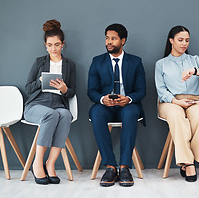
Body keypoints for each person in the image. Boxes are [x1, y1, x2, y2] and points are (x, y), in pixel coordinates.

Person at [155, 25, 199, 182]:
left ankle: (187, 158)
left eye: (187, 40)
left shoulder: (194, 60)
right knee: (177, 118)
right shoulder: (161, 64)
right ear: (171, 41)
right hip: (170, 101)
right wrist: (176, 101)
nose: (184, 43)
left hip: (196, 100)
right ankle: (189, 163)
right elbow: (161, 91)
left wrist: (196, 71)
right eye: (180, 40)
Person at [88, 23, 146, 187]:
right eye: (107, 38)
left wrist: (128, 99)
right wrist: (102, 99)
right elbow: (91, 90)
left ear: (123, 40)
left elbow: (141, 90)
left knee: (131, 113)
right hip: (105, 106)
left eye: (113, 38)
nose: (109, 42)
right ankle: (111, 167)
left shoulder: (135, 62)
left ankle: (125, 167)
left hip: (127, 105)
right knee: (96, 112)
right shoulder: (97, 61)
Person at [24, 19, 76, 185]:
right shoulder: (39, 62)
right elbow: (28, 88)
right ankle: (37, 164)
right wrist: (40, 81)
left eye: (57, 44)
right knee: (50, 115)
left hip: (58, 103)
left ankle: (50, 163)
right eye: (50, 45)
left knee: (66, 115)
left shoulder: (70, 65)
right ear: (45, 45)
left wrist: (64, 89)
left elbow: (73, 91)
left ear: (63, 44)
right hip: (36, 104)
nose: (54, 48)